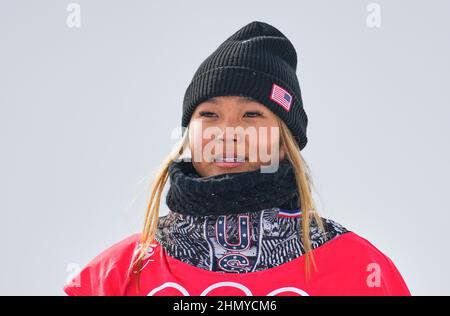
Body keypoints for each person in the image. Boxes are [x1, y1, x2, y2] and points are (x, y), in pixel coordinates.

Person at [63, 21, 411, 296]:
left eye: (252, 115)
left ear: (284, 142)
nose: (228, 132)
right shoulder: (115, 276)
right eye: (209, 114)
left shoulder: (360, 271)